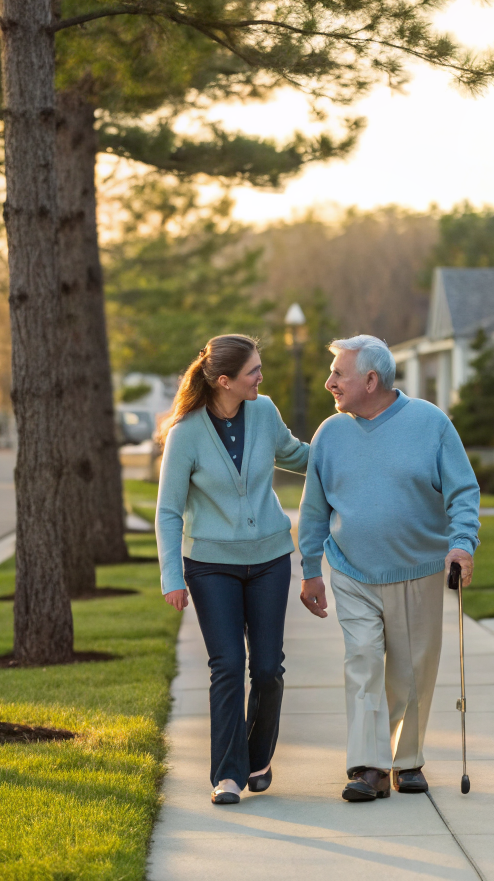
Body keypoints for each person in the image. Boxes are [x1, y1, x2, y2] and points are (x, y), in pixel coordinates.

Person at [297, 335, 479, 802]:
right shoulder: (329, 434)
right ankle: (369, 767)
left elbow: (463, 491)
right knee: (361, 662)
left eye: (339, 374)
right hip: (352, 571)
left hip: (418, 569)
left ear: (371, 380)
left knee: (412, 672)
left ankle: (407, 759)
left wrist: (462, 544)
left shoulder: (430, 423)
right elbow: (314, 509)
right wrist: (311, 568)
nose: (329, 382)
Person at [156, 334, 310, 806]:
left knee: (266, 668)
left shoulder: (264, 412)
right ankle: (226, 774)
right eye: (253, 371)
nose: (261, 377)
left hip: (269, 560)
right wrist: (172, 576)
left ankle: (257, 759)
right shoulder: (185, 433)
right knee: (226, 665)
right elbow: (168, 511)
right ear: (224, 381)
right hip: (210, 567)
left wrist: (348, 445)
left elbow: (298, 456)